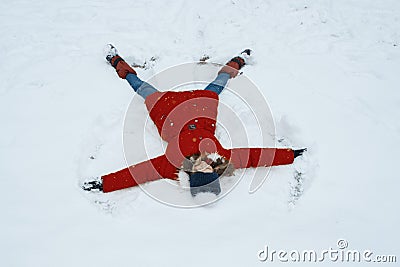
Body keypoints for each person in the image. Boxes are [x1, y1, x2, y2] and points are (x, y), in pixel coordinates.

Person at [82, 45, 306, 196]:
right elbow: (254, 156)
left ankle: (117, 62)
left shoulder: (172, 162)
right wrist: (288, 155)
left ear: (190, 173)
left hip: (167, 111)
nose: (206, 164)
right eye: (210, 169)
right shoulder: (223, 157)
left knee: (141, 88)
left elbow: (138, 172)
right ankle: (237, 62)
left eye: (201, 169)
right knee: (218, 85)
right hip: (201, 109)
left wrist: (104, 184)